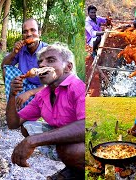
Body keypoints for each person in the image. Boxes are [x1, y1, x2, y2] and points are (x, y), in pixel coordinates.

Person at [6, 42, 85, 179]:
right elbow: (14, 123)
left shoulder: (78, 87)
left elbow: (86, 126)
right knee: (27, 127)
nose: (41, 65)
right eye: (40, 62)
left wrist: (33, 141)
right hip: (67, 142)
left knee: (70, 150)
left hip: (88, 140)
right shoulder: (43, 94)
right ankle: (73, 169)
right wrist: (12, 95)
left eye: (51, 60)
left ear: (68, 67)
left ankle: (79, 172)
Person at [1, 18, 48, 110]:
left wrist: (29, 93)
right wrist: (14, 52)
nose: (29, 34)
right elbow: (4, 66)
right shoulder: (21, 49)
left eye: (33, 30)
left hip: (41, 89)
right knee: (6, 69)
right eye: (25, 32)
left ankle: (34, 109)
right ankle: (14, 106)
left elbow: (51, 84)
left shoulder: (47, 51)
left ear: (39, 33)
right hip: (25, 83)